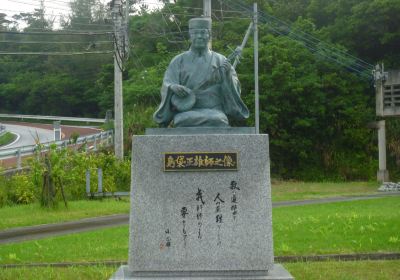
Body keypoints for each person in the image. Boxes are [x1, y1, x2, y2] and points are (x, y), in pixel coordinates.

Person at [153, 17, 249, 128]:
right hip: (186, 112)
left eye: (203, 33)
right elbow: (167, 83)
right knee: (181, 120)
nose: (199, 36)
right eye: (195, 33)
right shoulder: (178, 60)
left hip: (214, 111)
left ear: (209, 35)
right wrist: (172, 87)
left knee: (218, 119)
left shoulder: (220, 60)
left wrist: (227, 77)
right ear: (190, 35)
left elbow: (235, 87)